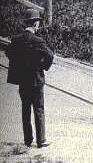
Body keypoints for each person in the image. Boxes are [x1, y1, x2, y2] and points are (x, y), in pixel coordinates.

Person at [6, 8, 54, 148]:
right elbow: (50, 55)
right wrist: (42, 66)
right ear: (35, 24)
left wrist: (19, 64)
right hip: (36, 80)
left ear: (26, 23)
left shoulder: (16, 39)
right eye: (38, 23)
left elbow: (9, 53)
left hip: (23, 81)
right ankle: (41, 141)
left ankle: (28, 140)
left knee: (25, 109)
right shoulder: (38, 40)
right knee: (39, 109)